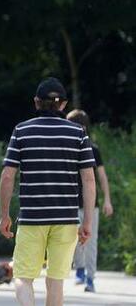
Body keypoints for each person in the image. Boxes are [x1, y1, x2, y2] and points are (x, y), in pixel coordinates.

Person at [0, 78, 96, 306]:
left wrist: (4, 215)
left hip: (31, 217)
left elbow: (7, 175)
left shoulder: (22, 131)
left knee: (22, 277)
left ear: (35, 103)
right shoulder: (77, 133)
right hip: (65, 219)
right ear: (63, 105)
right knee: (56, 281)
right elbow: (88, 179)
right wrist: (87, 220)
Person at [66, 109, 114, 293]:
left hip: (89, 204)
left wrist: (107, 200)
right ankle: (79, 268)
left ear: (82, 127)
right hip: (69, 202)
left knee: (90, 241)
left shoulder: (93, 149)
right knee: (74, 239)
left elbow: (101, 177)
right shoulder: (66, 148)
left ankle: (90, 278)